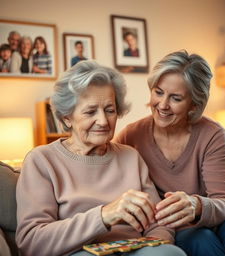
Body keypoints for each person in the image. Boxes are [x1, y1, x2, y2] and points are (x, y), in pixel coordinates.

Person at [15, 60, 186, 256]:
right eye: (90, 111)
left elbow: (157, 223)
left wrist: (156, 243)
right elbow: (31, 242)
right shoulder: (42, 161)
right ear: (66, 118)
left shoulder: (130, 157)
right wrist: (104, 216)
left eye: (110, 110)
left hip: (134, 249)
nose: (103, 121)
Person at [115, 50, 225, 256]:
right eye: (158, 92)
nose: (162, 105)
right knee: (200, 238)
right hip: (179, 230)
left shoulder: (212, 134)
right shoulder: (131, 135)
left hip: (223, 222)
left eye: (176, 98)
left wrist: (196, 205)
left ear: (194, 104)